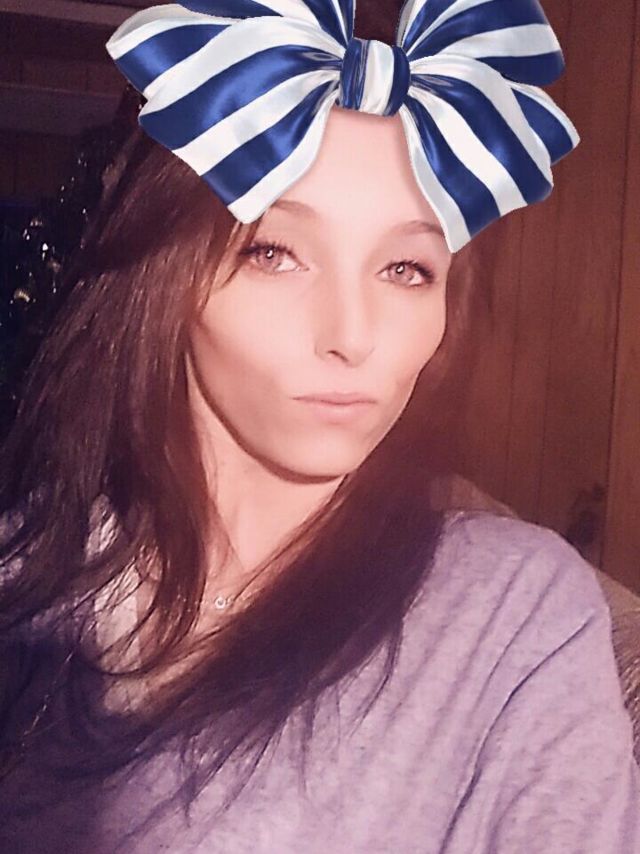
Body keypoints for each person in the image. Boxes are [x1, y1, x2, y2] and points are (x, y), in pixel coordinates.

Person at [0, 0, 638, 851]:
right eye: (274, 252)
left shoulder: (516, 618)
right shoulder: (27, 577)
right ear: (163, 283)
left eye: (406, 268)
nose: (352, 335)